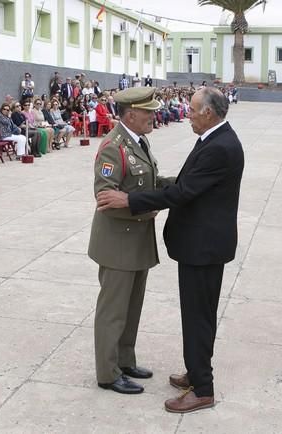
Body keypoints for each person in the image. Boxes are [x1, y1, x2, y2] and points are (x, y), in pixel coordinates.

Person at [96, 87, 245, 413]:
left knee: (197, 317)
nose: (185, 114)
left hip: (202, 246)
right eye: (147, 111)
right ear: (130, 113)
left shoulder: (219, 146)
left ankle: (202, 387)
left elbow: (184, 191)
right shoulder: (211, 139)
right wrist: (143, 197)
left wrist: (132, 200)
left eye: (192, 110)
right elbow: (116, 192)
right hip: (168, 243)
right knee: (186, 314)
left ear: (208, 113)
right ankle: (186, 372)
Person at [88, 87, 174, 395]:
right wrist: (145, 204)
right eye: (148, 112)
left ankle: (125, 360)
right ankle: (108, 373)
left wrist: (180, 185)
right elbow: (105, 196)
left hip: (136, 240)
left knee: (132, 307)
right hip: (117, 241)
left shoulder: (140, 141)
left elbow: (146, 184)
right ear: (131, 114)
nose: (153, 116)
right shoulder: (114, 146)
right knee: (113, 311)